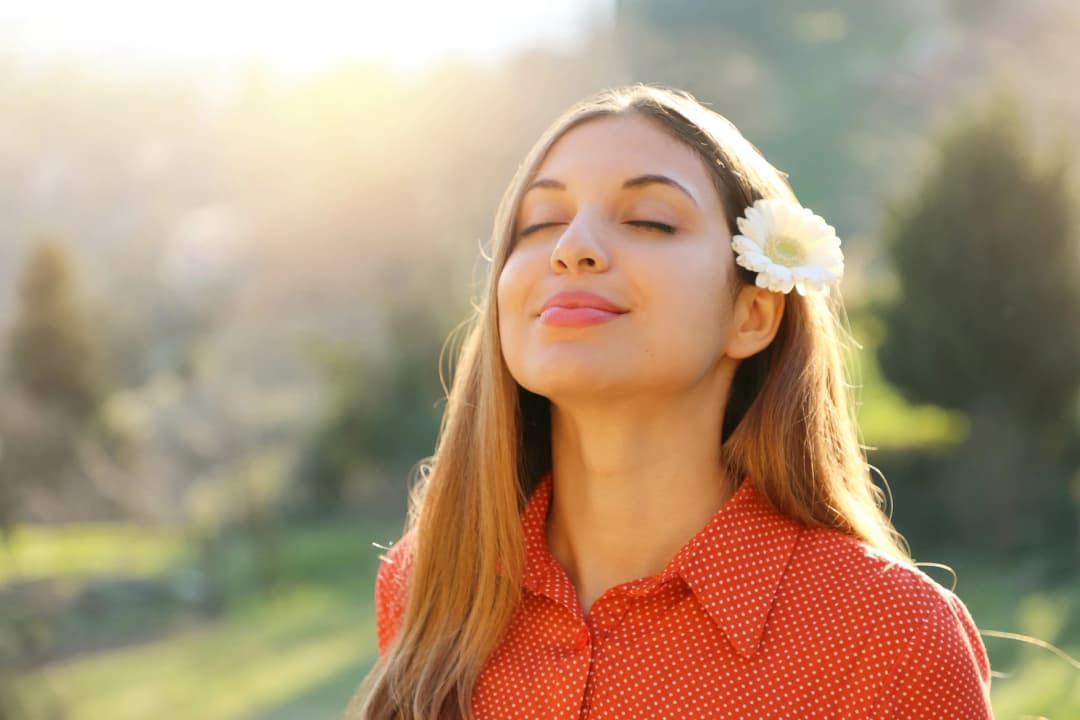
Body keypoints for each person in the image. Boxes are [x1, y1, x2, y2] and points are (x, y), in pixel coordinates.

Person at [349, 84, 993, 719]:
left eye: (649, 221)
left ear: (752, 314)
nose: (572, 248)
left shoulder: (891, 638)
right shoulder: (427, 586)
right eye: (540, 223)